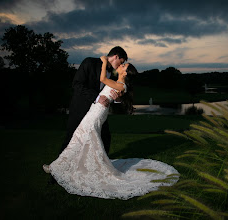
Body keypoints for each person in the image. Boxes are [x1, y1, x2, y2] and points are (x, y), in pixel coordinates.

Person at [42, 56, 179, 200]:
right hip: (95, 109)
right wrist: (118, 97)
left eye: (124, 66)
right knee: (79, 137)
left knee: (79, 137)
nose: (121, 65)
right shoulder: (119, 84)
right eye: (123, 63)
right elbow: (112, 92)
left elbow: (102, 79)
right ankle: (62, 166)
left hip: (97, 112)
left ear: (125, 73)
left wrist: (104, 62)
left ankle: (55, 168)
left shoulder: (120, 85)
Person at [60, 46, 128, 157]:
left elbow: (110, 92)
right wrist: (96, 98)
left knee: (105, 136)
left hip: (98, 112)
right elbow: (77, 84)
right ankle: (57, 166)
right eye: (121, 62)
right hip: (80, 107)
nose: (120, 66)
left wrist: (117, 99)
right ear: (116, 57)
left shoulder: (113, 75)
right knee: (71, 136)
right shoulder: (89, 62)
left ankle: (102, 165)